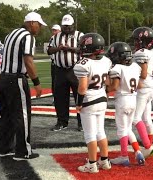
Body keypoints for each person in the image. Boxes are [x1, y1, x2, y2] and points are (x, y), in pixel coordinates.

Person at [0, 12, 46, 160]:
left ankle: (4, 148)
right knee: (22, 115)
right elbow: (28, 61)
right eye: (38, 24)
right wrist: (36, 82)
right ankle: (23, 151)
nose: (39, 28)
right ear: (31, 23)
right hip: (15, 79)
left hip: (3, 78)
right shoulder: (27, 36)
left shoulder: (11, 34)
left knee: (6, 116)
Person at [74, 33, 112, 173]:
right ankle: (105, 160)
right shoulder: (106, 61)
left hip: (89, 100)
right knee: (100, 131)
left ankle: (92, 164)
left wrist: (78, 103)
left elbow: (83, 87)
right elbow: (108, 82)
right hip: (102, 98)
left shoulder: (83, 64)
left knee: (90, 134)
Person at [106, 42, 145, 165]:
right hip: (133, 100)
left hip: (123, 100)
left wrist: (105, 89)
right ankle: (138, 151)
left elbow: (115, 86)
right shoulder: (135, 67)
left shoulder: (117, 68)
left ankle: (124, 156)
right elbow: (140, 85)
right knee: (128, 129)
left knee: (122, 130)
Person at [47, 14, 84, 131]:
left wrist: (70, 49)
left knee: (80, 96)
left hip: (76, 70)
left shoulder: (80, 35)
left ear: (73, 25)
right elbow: (49, 50)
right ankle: (62, 121)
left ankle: (82, 122)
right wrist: (59, 48)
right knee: (60, 98)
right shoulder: (55, 37)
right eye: (64, 26)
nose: (66, 28)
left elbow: (84, 49)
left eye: (68, 26)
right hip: (60, 70)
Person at [131, 27, 153, 158]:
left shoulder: (141, 52)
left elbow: (144, 73)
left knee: (135, 119)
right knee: (146, 118)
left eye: (137, 39)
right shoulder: (151, 52)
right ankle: (150, 144)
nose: (135, 42)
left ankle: (148, 146)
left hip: (143, 87)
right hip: (150, 87)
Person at [47, 24, 61, 103]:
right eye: (53, 30)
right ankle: (55, 98)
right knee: (54, 81)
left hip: (62, 63)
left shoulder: (63, 38)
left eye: (55, 30)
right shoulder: (52, 38)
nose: (54, 32)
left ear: (59, 31)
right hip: (54, 62)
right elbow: (48, 50)